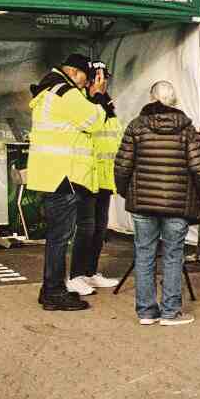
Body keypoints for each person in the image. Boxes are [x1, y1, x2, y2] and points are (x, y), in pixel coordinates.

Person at [113, 80, 200, 326]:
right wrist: (196, 195)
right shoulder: (187, 129)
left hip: (142, 204)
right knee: (172, 256)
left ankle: (146, 312)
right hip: (178, 204)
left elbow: (122, 165)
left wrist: (128, 193)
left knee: (144, 254)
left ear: (151, 97)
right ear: (174, 100)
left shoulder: (136, 126)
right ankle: (170, 312)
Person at [27, 53, 104, 312]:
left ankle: (50, 288)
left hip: (50, 174)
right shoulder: (65, 93)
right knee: (60, 237)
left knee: (56, 236)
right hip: (63, 176)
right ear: (73, 72)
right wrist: (97, 96)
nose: (86, 83)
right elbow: (95, 122)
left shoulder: (47, 92)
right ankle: (54, 292)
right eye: (85, 77)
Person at [71, 61, 122, 292]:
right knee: (86, 228)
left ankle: (90, 273)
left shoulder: (107, 104)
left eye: (105, 78)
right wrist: (97, 99)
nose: (103, 82)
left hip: (104, 176)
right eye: (99, 77)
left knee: (100, 228)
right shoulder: (82, 102)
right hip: (85, 175)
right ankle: (76, 276)